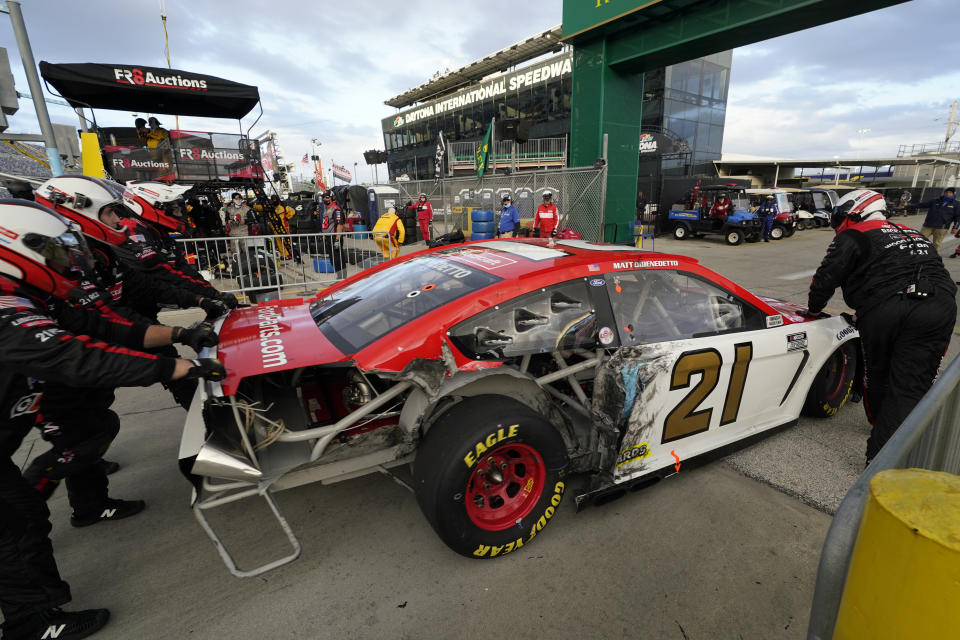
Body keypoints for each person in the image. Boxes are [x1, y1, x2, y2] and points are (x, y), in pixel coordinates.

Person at [0, 200, 225, 640]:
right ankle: (31, 625)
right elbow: (76, 356)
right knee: (17, 523)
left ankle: (80, 511)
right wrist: (173, 367)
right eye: (58, 254)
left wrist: (181, 334)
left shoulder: (31, 296)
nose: (68, 263)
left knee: (30, 503)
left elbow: (107, 327)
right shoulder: (7, 308)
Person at [804, 189, 956, 465]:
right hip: (939, 306)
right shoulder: (914, 234)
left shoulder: (854, 234)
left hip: (887, 307)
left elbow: (826, 277)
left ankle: (880, 460)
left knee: (878, 376)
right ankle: (896, 448)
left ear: (853, 212)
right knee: (910, 385)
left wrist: (813, 310)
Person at [908, 186, 960, 252]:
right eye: (946, 192)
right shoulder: (935, 201)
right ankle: (917, 254)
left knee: (936, 244)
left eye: (950, 192)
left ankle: (933, 257)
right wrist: (907, 206)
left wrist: (955, 227)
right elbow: (921, 205)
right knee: (919, 240)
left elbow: (958, 217)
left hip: (942, 227)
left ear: (953, 194)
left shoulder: (956, 204)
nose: (947, 194)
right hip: (928, 225)